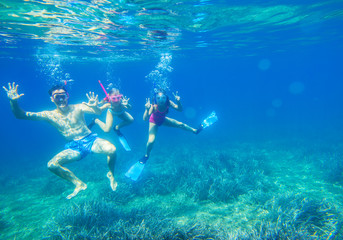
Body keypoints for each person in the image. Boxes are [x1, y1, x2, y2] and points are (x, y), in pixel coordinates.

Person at [3, 82, 118, 199]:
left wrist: (94, 107)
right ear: (52, 99)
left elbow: (98, 112)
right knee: (52, 165)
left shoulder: (78, 107)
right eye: (56, 97)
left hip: (91, 140)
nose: (61, 99)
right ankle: (79, 183)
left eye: (63, 95)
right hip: (74, 147)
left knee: (112, 150)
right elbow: (21, 115)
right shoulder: (48, 115)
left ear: (67, 96)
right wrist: (13, 102)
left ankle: (111, 174)